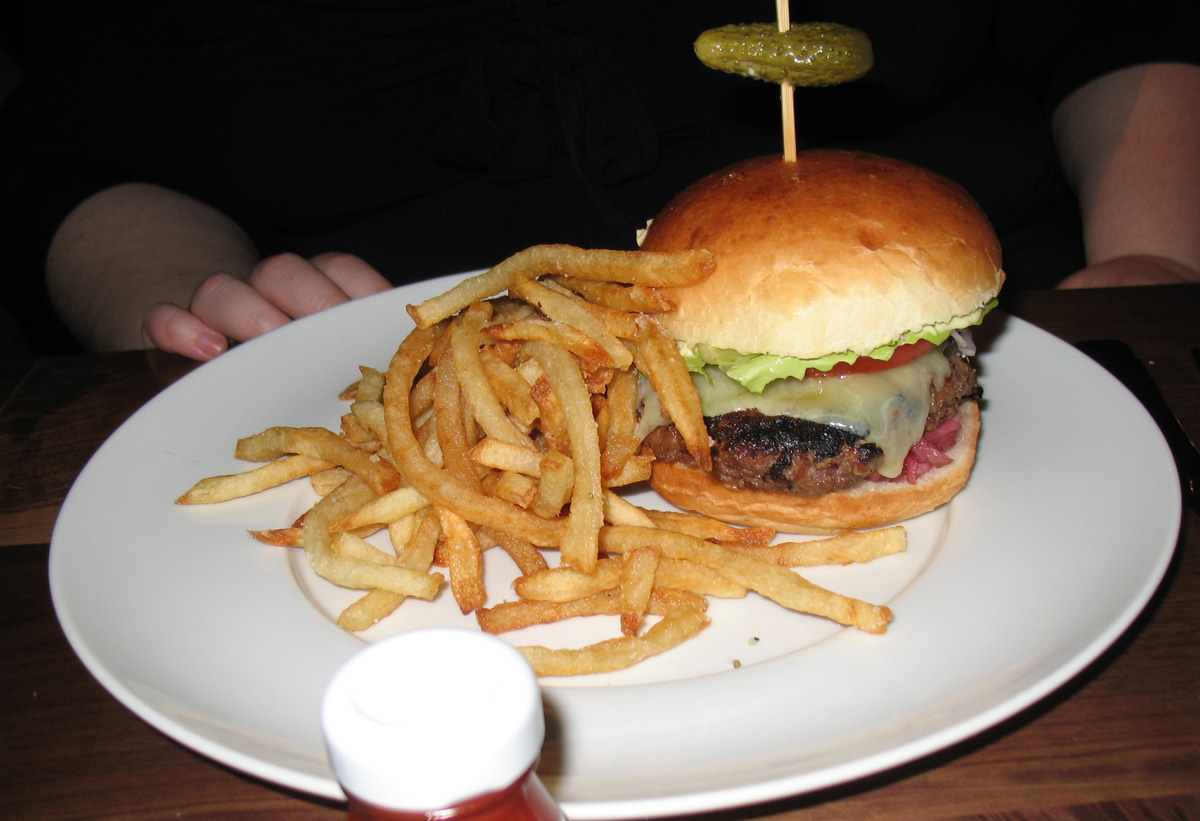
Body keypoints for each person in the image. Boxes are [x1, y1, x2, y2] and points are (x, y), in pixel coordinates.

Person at [3, 1, 1199, 361]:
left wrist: (1158, 265)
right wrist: (203, 305)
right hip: (399, 339)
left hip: (1029, 305)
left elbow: (1117, 25)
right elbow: (80, 153)